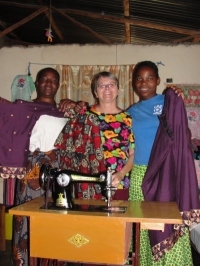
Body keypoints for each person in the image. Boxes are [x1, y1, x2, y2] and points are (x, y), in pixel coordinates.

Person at [127, 61, 198, 265]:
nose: (144, 83)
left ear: (157, 81)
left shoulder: (169, 101)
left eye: (150, 78)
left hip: (166, 175)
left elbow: (181, 134)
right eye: (139, 78)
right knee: (143, 230)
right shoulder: (131, 112)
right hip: (140, 175)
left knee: (167, 227)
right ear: (133, 83)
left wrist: (176, 96)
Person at [10, 67, 74, 266]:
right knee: (29, 217)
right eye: (44, 79)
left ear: (58, 85)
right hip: (32, 171)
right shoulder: (23, 110)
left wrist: (79, 105)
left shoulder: (65, 111)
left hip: (58, 170)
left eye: (53, 80)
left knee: (57, 216)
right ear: (36, 84)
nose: (49, 83)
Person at [56, 71, 134, 200]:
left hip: (119, 182)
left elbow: (132, 153)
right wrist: (70, 104)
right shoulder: (83, 114)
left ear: (118, 90)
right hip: (89, 182)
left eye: (111, 85)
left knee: (120, 220)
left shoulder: (127, 118)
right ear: (95, 92)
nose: (107, 88)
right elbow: (69, 146)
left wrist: (121, 174)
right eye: (102, 86)